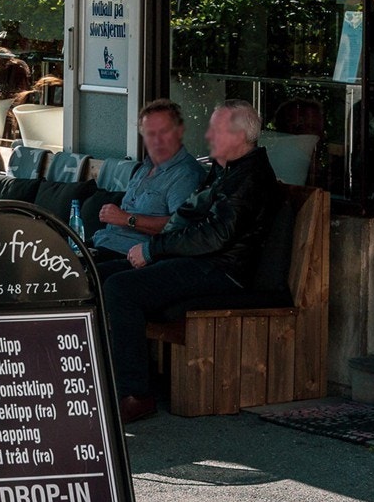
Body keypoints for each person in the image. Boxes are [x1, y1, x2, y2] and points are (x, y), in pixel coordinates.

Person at [99, 100, 279, 423]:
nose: (208, 135)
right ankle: (95, 380)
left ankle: (136, 394)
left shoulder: (250, 177)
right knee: (96, 275)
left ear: (239, 135)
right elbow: (188, 217)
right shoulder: (225, 169)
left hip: (223, 270)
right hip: (200, 260)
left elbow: (214, 236)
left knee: (121, 289)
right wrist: (155, 248)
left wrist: (154, 250)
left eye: (216, 129)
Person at [89, 100, 207, 259]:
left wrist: (127, 219)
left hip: (132, 256)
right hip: (102, 241)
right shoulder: (145, 167)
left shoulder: (186, 174)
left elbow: (181, 228)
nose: (157, 140)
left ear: (179, 131)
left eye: (164, 131)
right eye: (150, 133)